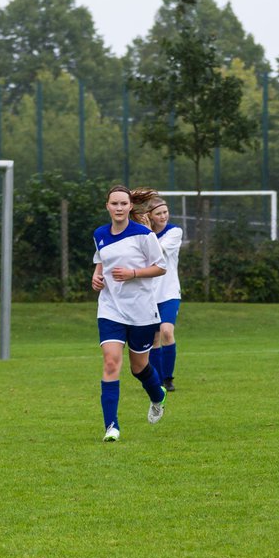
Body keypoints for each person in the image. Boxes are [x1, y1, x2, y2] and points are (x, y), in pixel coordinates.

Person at [92, 184, 168, 442]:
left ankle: (157, 396)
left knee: (139, 367)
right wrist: (97, 276)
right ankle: (111, 426)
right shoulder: (100, 234)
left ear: (130, 206)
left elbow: (161, 267)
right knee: (111, 361)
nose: (119, 208)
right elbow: (101, 259)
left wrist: (133, 273)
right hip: (110, 308)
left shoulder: (143, 235)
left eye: (123, 204)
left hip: (141, 311)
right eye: (114, 203)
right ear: (107, 206)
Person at [132, 190, 183, 392]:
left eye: (165, 212)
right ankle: (157, 379)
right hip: (149, 295)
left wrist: (146, 230)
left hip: (169, 293)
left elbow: (157, 250)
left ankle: (168, 378)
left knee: (166, 332)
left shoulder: (174, 232)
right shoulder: (143, 233)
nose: (163, 216)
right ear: (150, 216)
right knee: (153, 339)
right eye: (159, 213)